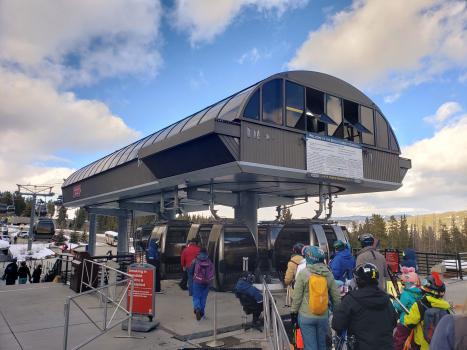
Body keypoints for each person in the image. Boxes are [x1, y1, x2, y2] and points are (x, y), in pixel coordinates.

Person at [332, 263, 399, 350]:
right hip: (385, 346)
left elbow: (337, 324)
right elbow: (393, 322)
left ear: (358, 280)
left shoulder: (350, 299)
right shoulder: (386, 299)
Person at [291, 246, 341, 350]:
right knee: (321, 345)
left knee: (310, 347)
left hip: (306, 316)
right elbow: (336, 297)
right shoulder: (328, 274)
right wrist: (338, 314)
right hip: (323, 317)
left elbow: (297, 297)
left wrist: (294, 313)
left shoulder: (303, 274)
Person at [405, 273, 453, 350]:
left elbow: (410, 323)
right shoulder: (446, 307)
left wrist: (406, 317)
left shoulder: (419, 304)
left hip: (424, 345)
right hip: (440, 344)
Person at [393, 267, 422, 350]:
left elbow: (400, 307)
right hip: (416, 321)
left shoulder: (406, 294)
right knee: (414, 341)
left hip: (405, 321)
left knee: (398, 340)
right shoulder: (420, 293)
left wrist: (396, 301)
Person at [188, 247, 214, 321]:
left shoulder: (195, 260)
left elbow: (190, 270)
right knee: (203, 297)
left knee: (196, 296)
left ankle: (197, 308)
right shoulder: (209, 261)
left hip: (197, 281)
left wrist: (194, 275)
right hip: (207, 283)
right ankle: (202, 312)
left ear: (199, 253)